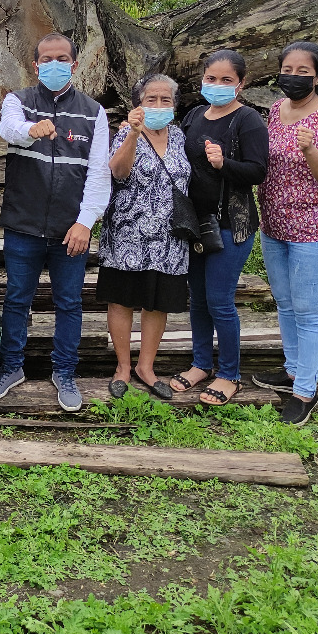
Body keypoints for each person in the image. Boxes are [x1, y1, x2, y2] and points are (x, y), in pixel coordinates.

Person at [0, 32, 111, 413]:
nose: (54, 65)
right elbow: (8, 129)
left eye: (62, 59)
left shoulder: (93, 112)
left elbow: (99, 173)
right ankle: (11, 368)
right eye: (46, 59)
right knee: (18, 299)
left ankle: (65, 373)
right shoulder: (18, 101)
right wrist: (29, 130)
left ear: (74, 64)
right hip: (23, 226)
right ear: (35, 65)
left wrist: (86, 222)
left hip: (69, 230)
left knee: (69, 303)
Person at [253, 41, 318, 426]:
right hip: (274, 226)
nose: (293, 78)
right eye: (287, 70)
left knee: (310, 312)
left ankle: (305, 390)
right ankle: (292, 369)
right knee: (285, 303)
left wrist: (311, 151)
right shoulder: (278, 109)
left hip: (316, 231)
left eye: (302, 72)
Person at [168, 50, 269, 406]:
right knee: (197, 299)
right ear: (202, 79)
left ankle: (229, 373)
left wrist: (224, 163)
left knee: (220, 301)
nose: (217, 85)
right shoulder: (195, 115)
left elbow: (258, 172)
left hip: (231, 224)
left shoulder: (248, 120)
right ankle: (200, 364)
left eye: (227, 80)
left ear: (241, 83)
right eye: (212, 78)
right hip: (194, 223)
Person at [99, 73, 190, 401]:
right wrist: (134, 135)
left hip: (169, 240)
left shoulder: (180, 137)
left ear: (174, 105)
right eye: (151, 99)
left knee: (157, 304)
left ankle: (146, 368)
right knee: (121, 301)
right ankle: (123, 366)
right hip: (127, 236)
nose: (158, 105)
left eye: (166, 100)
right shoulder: (125, 132)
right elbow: (118, 171)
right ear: (138, 104)